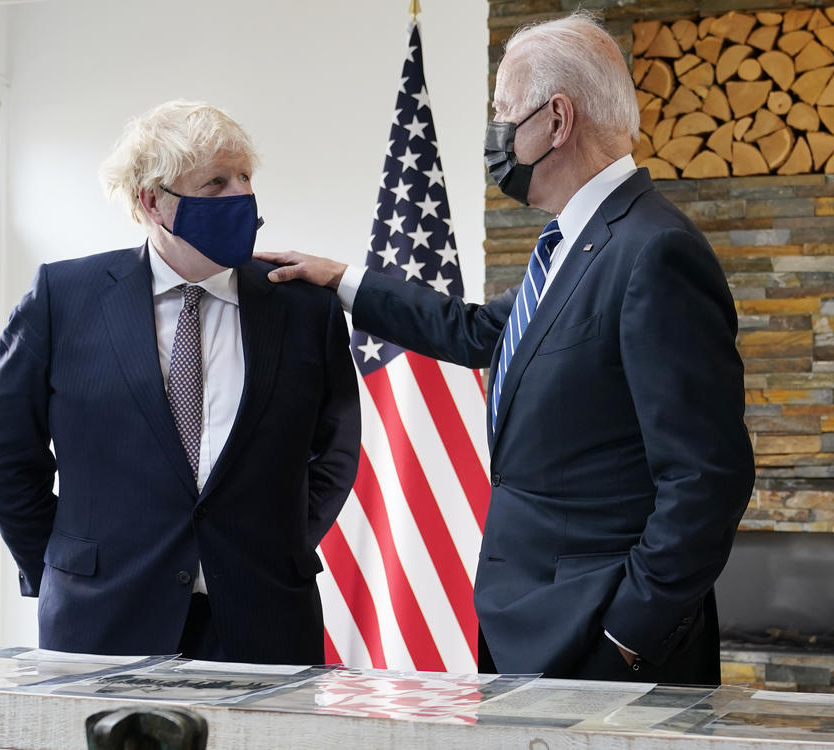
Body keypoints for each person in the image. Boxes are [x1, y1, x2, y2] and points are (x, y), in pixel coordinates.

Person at [256, 12, 754, 685]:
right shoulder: (573, 244)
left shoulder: (654, 251)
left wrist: (628, 635)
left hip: (603, 644)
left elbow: (706, 479)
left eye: (502, 112)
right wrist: (346, 280)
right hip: (533, 629)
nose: (495, 135)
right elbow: (476, 331)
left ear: (557, 119)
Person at [0, 100, 360, 663]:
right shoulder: (63, 297)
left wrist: (280, 544)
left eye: (245, 177)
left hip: (264, 616)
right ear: (152, 201)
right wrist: (64, 563)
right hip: (101, 619)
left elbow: (335, 450)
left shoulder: (304, 306)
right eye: (215, 182)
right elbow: (6, 458)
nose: (240, 195)